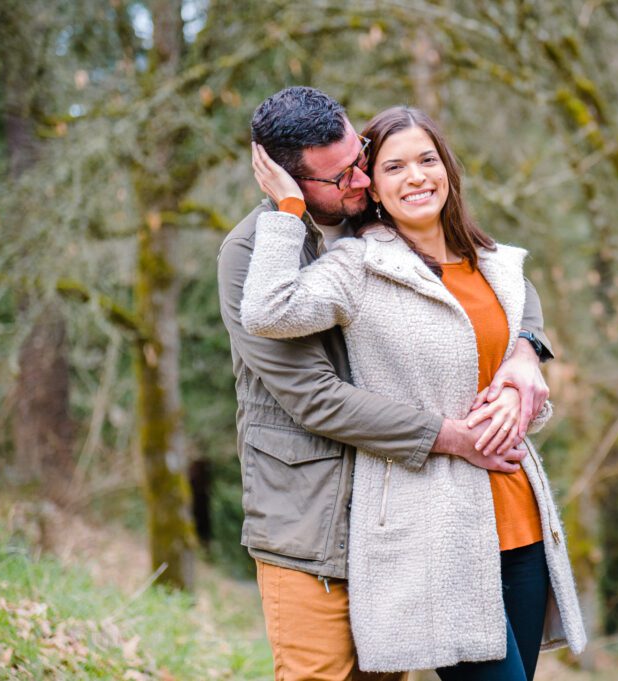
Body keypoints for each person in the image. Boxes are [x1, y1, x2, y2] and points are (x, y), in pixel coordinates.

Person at [217, 87, 556, 681]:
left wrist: (526, 349)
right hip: (312, 518)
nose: (361, 178)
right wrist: (452, 436)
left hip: (409, 502)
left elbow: (489, 273)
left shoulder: (378, 218)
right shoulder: (253, 251)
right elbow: (313, 396)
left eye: (362, 156)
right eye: (341, 175)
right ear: (289, 183)